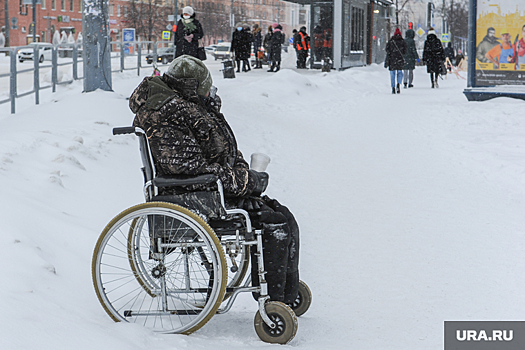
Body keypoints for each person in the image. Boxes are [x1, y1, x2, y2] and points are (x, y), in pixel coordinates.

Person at [129, 54, 301, 307]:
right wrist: (243, 181)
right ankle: (275, 300)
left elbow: (219, 152)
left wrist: (245, 175)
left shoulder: (186, 106)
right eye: (204, 87)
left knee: (283, 215)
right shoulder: (164, 113)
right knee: (273, 224)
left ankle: (285, 291)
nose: (208, 92)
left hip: (207, 188)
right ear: (191, 86)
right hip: (194, 194)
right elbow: (187, 168)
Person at [385, 28, 407, 94]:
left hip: (392, 59)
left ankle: (393, 87)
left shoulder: (391, 41)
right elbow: (405, 51)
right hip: (400, 59)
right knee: (400, 72)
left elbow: (387, 50)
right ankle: (398, 84)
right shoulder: (403, 41)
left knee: (392, 74)